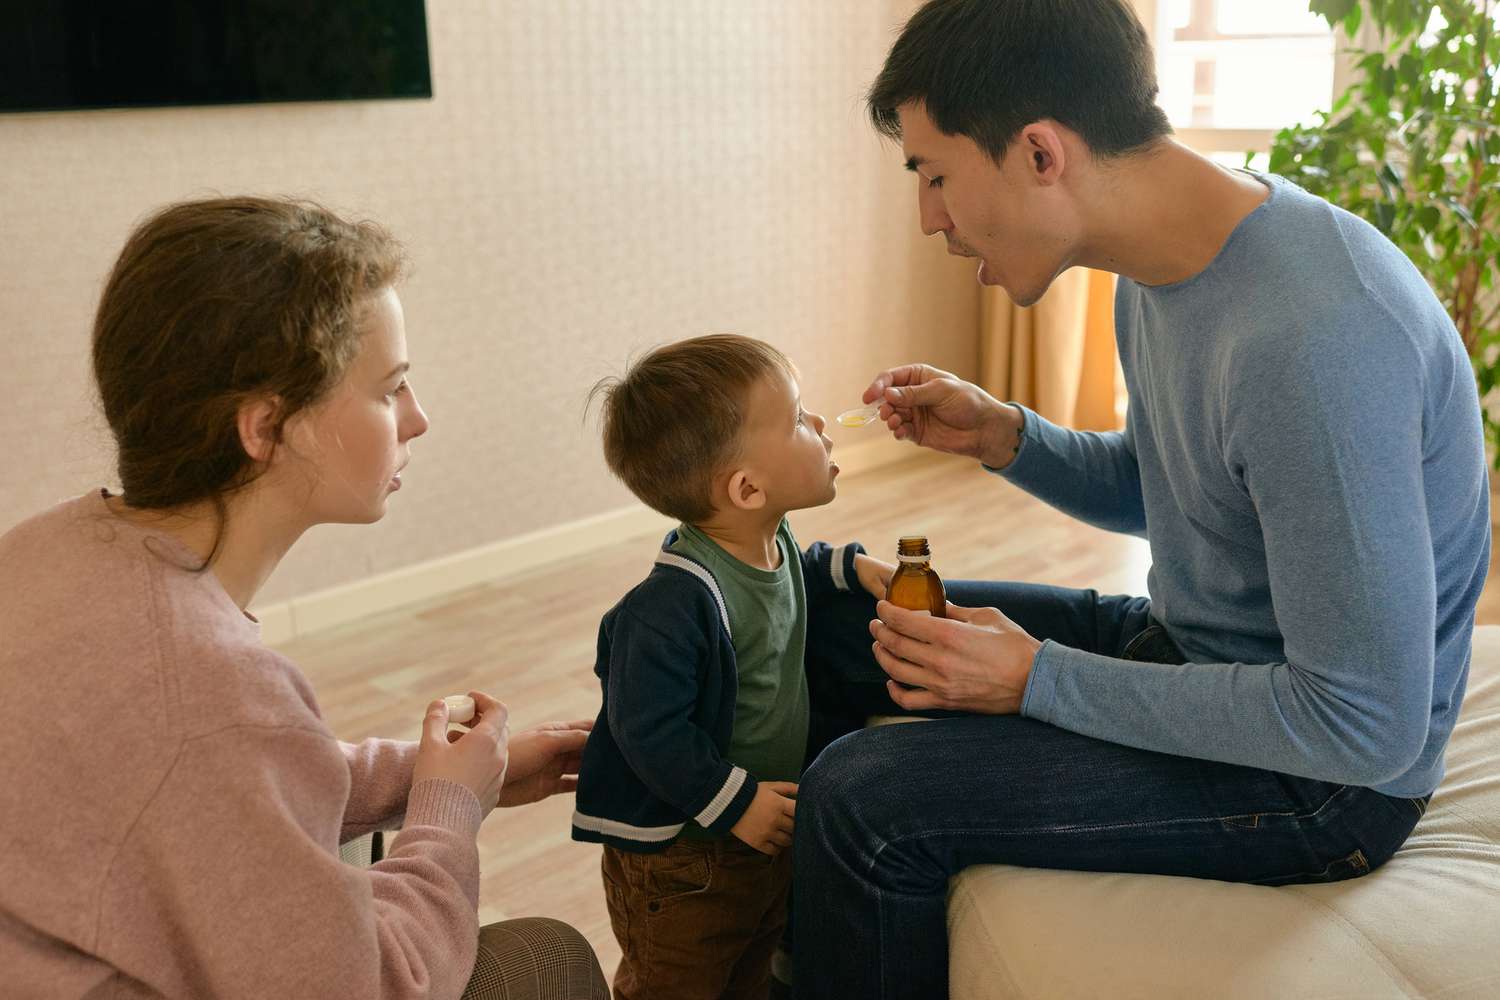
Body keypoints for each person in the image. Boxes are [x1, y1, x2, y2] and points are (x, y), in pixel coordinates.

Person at [789, 1, 1493, 996]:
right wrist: (1006, 436)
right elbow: (1179, 490)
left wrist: (1037, 680)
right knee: (826, 624)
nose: (929, 219)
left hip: (1326, 782)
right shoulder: (1166, 268)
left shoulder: (1313, 340)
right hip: (1201, 654)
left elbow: (1361, 723)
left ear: (1041, 152)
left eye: (934, 175)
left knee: (863, 800)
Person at [0, 197, 609, 999]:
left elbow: (224, 781)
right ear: (265, 427)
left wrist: (433, 778)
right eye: (390, 389)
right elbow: (376, 984)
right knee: (548, 959)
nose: (418, 419)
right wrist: (448, 813)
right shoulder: (212, 687)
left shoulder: (43, 547)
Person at [572, 335, 889, 999]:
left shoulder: (766, 537)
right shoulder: (669, 607)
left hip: (750, 833)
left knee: (748, 969)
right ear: (747, 489)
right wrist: (736, 801)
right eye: (798, 419)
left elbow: (791, 573)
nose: (820, 422)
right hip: (686, 856)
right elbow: (648, 730)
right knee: (679, 984)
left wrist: (848, 566)